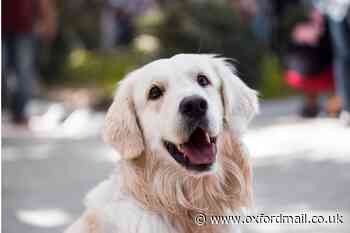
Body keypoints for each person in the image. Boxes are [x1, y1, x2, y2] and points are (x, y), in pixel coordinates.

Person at [2, 0, 57, 126]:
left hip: (24, 27)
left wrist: (49, 18)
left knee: (24, 70)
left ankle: (19, 112)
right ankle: (7, 105)